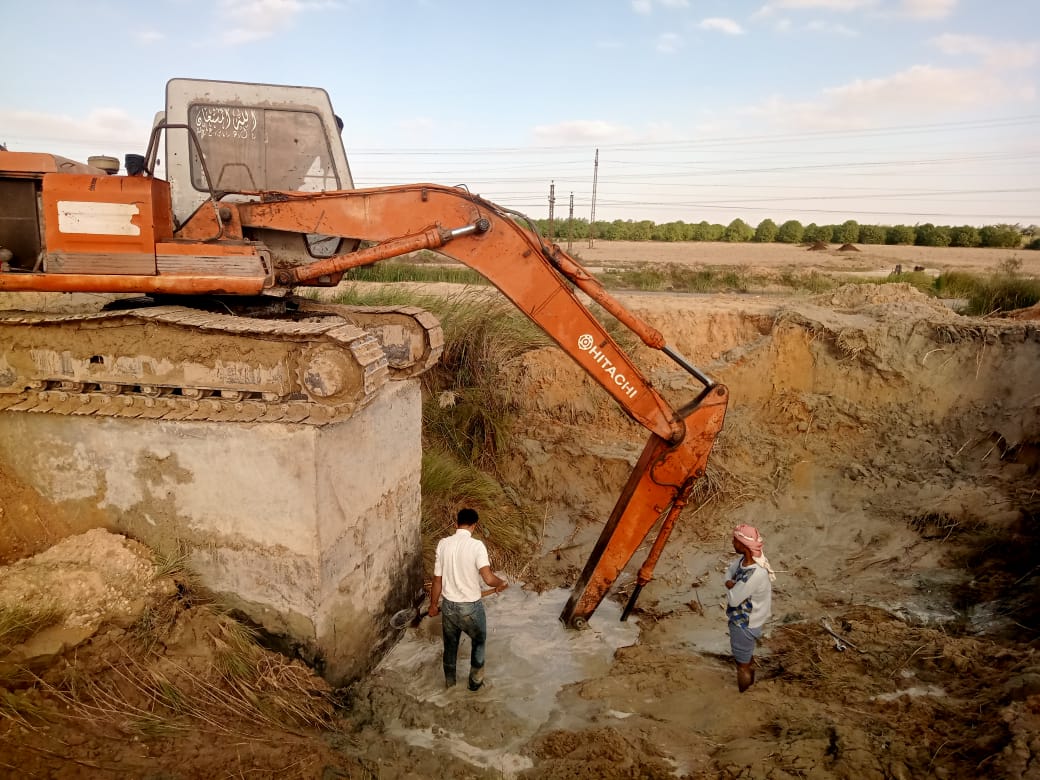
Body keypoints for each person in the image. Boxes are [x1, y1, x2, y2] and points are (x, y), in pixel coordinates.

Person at [428, 508, 508, 691]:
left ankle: (450, 686)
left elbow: (437, 579)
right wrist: (501, 582)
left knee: (450, 649)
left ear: (456, 524)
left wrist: (433, 605)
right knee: (478, 643)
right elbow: (488, 578)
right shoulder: (476, 546)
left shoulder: (443, 544)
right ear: (474, 526)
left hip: (448, 607)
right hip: (470, 608)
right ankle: (475, 685)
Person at [724, 524, 776, 692]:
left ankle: (744, 695)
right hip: (753, 618)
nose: (733, 543)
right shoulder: (750, 560)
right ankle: (751, 683)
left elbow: (733, 600)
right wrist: (731, 583)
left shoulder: (753, 575)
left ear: (743, 545)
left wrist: (730, 584)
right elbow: (729, 571)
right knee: (747, 656)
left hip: (744, 623)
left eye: (735, 540)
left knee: (742, 665)